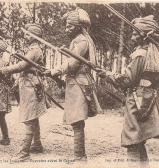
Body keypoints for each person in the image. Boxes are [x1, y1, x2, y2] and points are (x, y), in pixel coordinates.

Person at [96, 15, 159, 168]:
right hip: (149, 97)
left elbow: (127, 81)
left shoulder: (140, 54)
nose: (132, 36)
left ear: (145, 36)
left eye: (136, 33)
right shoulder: (155, 52)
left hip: (137, 100)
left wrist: (107, 75)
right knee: (139, 139)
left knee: (132, 141)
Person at [45, 8, 102, 163]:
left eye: (69, 26)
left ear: (78, 26)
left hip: (79, 82)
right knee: (76, 122)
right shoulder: (79, 40)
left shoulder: (82, 40)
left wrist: (55, 70)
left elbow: (73, 63)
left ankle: (80, 157)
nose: (66, 29)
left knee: (77, 122)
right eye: (66, 26)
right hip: (76, 82)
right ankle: (79, 156)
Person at [0, 24, 47, 161]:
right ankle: (37, 144)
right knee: (33, 116)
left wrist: (2, 70)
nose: (25, 36)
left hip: (31, 86)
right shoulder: (33, 50)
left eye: (28, 34)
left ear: (34, 36)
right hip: (30, 84)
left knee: (29, 117)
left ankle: (24, 153)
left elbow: (21, 66)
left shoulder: (34, 50)